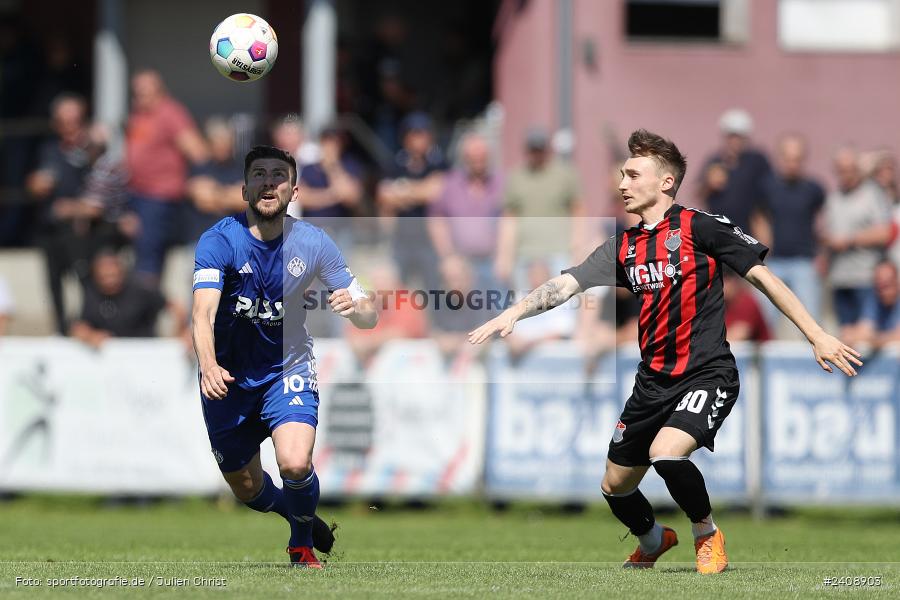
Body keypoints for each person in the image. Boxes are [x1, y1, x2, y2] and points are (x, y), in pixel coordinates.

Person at [469, 129, 862, 574]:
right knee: (615, 486)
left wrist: (816, 333)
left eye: (633, 174)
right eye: (621, 174)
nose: (622, 183)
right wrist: (514, 313)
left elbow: (763, 277)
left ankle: (707, 533)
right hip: (652, 382)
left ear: (665, 183)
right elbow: (566, 284)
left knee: (667, 452)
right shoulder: (623, 246)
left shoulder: (701, 226)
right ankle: (654, 540)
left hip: (707, 373)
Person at [191, 145, 377, 568]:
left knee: (294, 462)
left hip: (285, 368)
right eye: (259, 174)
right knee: (246, 487)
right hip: (228, 378)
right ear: (244, 190)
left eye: (279, 175)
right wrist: (207, 365)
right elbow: (202, 313)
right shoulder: (219, 240)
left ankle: (300, 546)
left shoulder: (313, 243)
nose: (269, 182)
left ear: (294, 190)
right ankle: (299, 517)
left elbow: (369, 314)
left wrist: (357, 306)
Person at [126, 69, 208, 287]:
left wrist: (198, 183)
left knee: (148, 260)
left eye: (145, 92)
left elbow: (198, 152)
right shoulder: (138, 115)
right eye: (137, 92)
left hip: (159, 197)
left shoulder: (170, 113)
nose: (140, 97)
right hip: (137, 195)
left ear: (160, 91)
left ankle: (144, 313)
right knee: (139, 257)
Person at [758, 134, 826, 329]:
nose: (792, 164)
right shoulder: (767, 187)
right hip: (772, 263)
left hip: (804, 262)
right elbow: (758, 215)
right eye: (788, 159)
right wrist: (763, 240)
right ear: (780, 158)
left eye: (797, 159)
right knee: (764, 322)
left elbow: (823, 219)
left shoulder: (814, 189)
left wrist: (822, 253)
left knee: (811, 321)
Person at [822, 147, 894, 332]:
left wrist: (849, 240)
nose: (845, 175)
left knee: (865, 334)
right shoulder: (834, 197)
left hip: (866, 278)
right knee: (845, 337)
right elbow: (827, 230)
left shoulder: (872, 194)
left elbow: (885, 232)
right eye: (840, 170)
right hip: (840, 279)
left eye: (849, 170)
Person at [69, 250, 188, 349]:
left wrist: (180, 333)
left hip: (144, 351)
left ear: (121, 271)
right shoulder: (91, 293)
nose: (110, 281)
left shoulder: (140, 288)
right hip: (108, 354)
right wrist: (90, 336)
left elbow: (177, 308)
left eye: (113, 276)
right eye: (104, 278)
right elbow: (78, 327)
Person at [698, 109, 771, 234]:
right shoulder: (715, 161)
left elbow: (770, 194)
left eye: (739, 136)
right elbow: (699, 193)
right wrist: (709, 185)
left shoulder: (757, 161)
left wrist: (763, 225)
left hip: (749, 232)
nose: (735, 140)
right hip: (719, 231)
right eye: (732, 136)